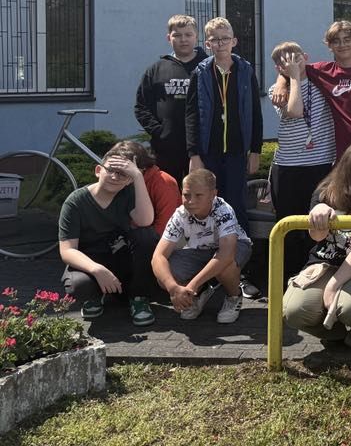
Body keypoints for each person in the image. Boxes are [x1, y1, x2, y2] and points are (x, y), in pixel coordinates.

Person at [282, 140, 351, 347]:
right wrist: (318, 213)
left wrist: (333, 286)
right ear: (348, 165)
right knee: (293, 310)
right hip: (325, 262)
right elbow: (316, 237)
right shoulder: (325, 191)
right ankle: (335, 334)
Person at [184, 16, 263, 298]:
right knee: (207, 209)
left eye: (225, 39)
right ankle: (208, 272)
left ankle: (240, 272)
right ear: (207, 43)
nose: (220, 44)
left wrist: (256, 150)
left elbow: (255, 111)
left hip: (237, 154)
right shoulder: (200, 72)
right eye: (215, 40)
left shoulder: (246, 70)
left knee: (237, 209)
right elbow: (191, 114)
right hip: (209, 152)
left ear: (234, 41)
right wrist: (194, 154)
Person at [271, 20, 351, 180]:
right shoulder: (323, 71)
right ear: (329, 45)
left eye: (347, 40)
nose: (342, 45)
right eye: (336, 41)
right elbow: (294, 68)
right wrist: (281, 82)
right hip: (345, 154)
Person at [58, 141, 157, 327]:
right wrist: (97, 270)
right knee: (78, 285)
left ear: (129, 180)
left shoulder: (127, 194)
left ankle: (138, 298)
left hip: (119, 256)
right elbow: (67, 251)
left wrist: (137, 176)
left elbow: (145, 221)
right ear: (98, 170)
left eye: (122, 174)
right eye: (110, 170)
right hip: (89, 260)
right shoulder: (75, 202)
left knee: (147, 236)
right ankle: (94, 296)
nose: (114, 176)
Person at [269, 42, 336, 281]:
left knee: (317, 223)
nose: (292, 64)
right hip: (288, 167)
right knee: (288, 226)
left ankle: (315, 273)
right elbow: (295, 110)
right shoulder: (277, 90)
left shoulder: (323, 83)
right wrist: (292, 78)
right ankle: (285, 279)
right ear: (279, 68)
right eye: (285, 62)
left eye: (296, 59)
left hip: (320, 164)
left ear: (306, 57)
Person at [151, 168, 252, 324]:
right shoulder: (180, 214)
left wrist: (192, 285)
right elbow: (158, 256)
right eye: (186, 195)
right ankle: (200, 292)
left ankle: (234, 296)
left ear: (213, 194)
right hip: (200, 250)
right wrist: (173, 288)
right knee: (164, 275)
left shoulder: (223, 210)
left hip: (236, 246)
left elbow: (226, 254)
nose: (191, 201)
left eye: (198, 195)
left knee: (225, 267)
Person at [135, 14, 207, 185]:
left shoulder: (208, 67)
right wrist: (160, 132)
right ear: (169, 38)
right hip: (166, 149)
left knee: (199, 194)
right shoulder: (156, 70)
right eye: (177, 35)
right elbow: (141, 106)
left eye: (188, 35)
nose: (183, 39)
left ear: (196, 36)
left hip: (203, 148)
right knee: (166, 193)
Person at [121, 140, 180, 236]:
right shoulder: (115, 179)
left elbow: (166, 225)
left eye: (127, 168)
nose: (121, 173)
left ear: (142, 166)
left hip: (163, 236)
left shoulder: (164, 182)